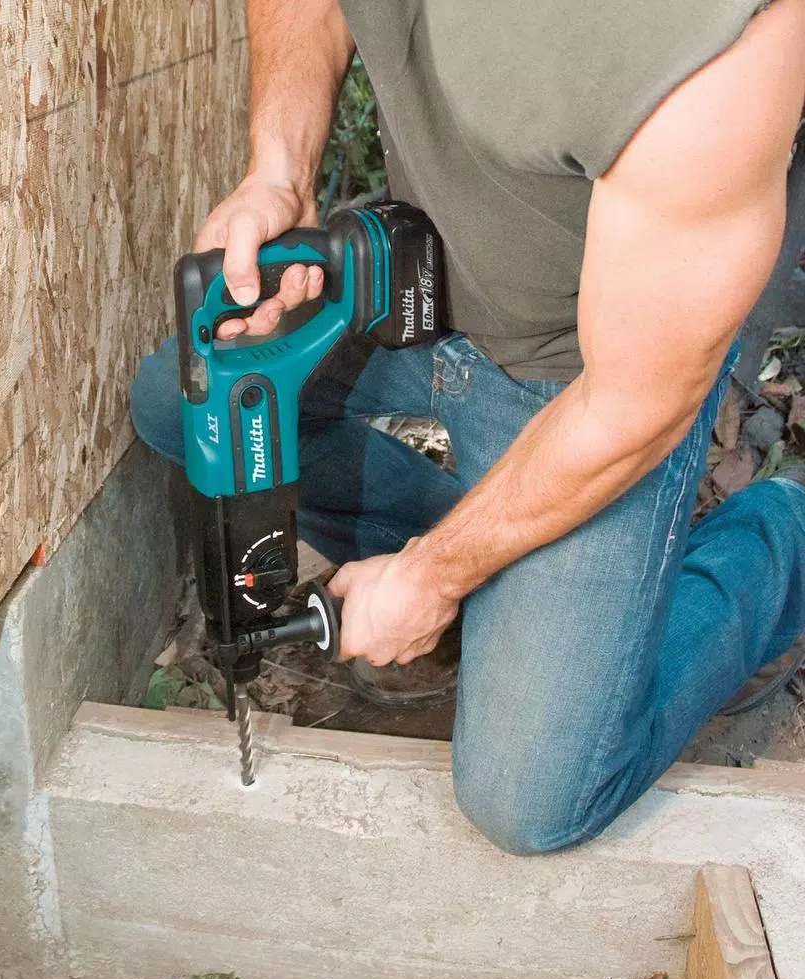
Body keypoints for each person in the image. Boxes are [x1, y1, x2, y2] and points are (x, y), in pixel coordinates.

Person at [131, 0, 805, 854]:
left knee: (530, 799)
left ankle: (781, 539)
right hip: (409, 281)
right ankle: (509, 563)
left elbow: (635, 407)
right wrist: (279, 168)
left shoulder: (717, 52)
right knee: (184, 409)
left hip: (581, 373)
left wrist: (432, 575)